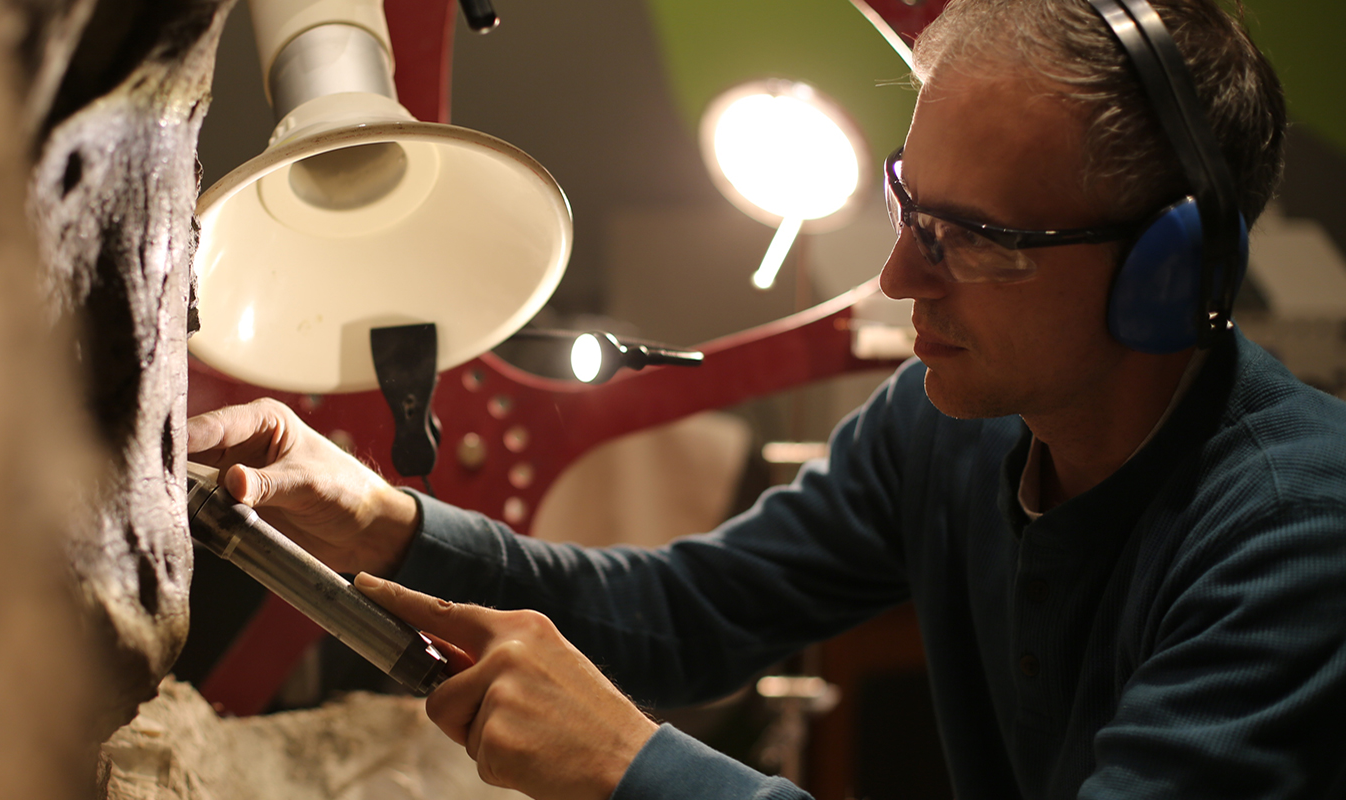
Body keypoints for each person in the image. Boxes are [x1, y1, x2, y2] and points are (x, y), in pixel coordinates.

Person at [188, 1, 1346, 797]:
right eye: (909, 207)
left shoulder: (1297, 538)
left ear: (1168, 271)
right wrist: (385, 520)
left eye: (976, 241)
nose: (899, 279)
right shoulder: (944, 426)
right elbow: (687, 613)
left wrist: (636, 767)